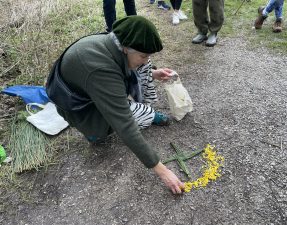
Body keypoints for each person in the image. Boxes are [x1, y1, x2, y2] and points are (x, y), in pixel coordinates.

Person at [46, 16, 185, 194]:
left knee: (143, 67)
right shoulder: (101, 70)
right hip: (79, 109)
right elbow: (124, 124)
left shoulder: (112, 43)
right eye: (143, 55)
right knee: (142, 115)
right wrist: (162, 170)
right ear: (126, 47)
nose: (145, 59)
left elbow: (128, 64)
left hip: (86, 92)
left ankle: (121, 115)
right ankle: (96, 131)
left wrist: (153, 73)